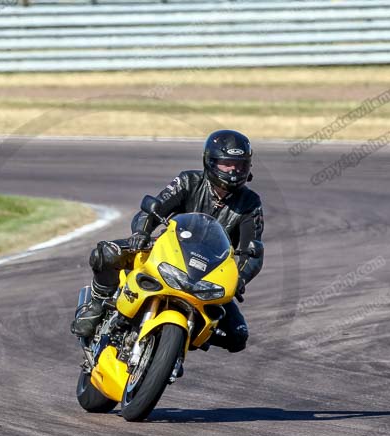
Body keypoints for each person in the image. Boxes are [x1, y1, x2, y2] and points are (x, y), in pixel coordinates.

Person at [71, 130, 264, 353]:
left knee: (237, 336)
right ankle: (96, 305)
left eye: (239, 165)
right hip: (166, 250)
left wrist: (239, 279)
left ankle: (178, 341)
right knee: (107, 253)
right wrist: (141, 233)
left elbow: (254, 251)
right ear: (209, 162)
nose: (233, 170)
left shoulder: (251, 203)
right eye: (226, 163)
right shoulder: (188, 181)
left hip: (210, 272)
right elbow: (152, 210)